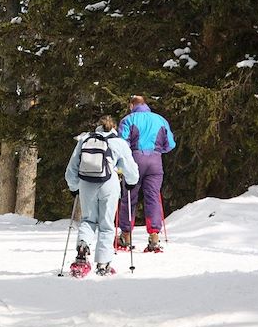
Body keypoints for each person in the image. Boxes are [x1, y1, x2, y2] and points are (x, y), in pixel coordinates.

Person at [65, 115, 139, 276]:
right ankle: (103, 263)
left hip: (86, 184)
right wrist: (131, 182)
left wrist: (73, 187)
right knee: (106, 224)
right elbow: (131, 169)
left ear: (97, 127)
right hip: (109, 184)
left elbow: (72, 168)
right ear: (114, 127)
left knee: (88, 220)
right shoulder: (119, 143)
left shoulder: (84, 140)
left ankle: (83, 248)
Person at [117, 95, 176, 252]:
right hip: (155, 162)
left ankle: (126, 235)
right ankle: (154, 236)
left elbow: (122, 143)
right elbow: (170, 144)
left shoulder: (128, 119)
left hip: (134, 160)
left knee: (129, 197)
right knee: (153, 197)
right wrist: (157, 151)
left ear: (132, 105)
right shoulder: (160, 120)